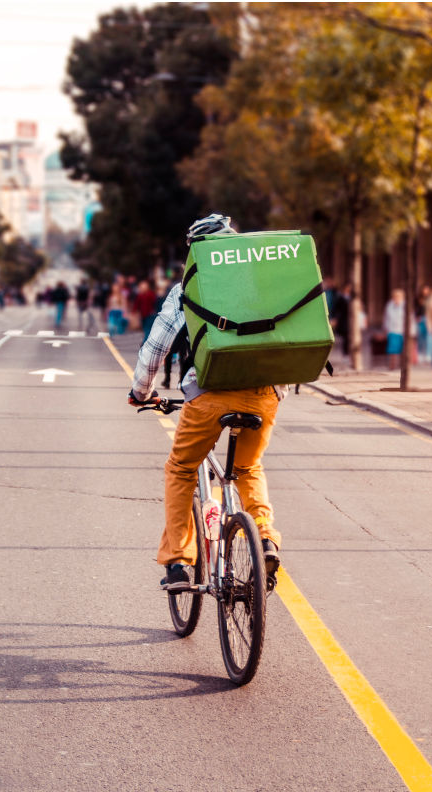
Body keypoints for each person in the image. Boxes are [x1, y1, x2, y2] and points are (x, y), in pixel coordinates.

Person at [127, 213, 284, 591]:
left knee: (181, 469)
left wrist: (142, 393)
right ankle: (264, 538)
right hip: (265, 393)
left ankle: (179, 562)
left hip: (209, 394)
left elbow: (155, 351)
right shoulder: (261, 281)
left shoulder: (188, 288)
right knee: (248, 468)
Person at [383, 288, 407, 370]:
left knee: (402, 350)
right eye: (395, 296)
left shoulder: (405, 305)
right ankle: (392, 366)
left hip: (402, 330)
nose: (396, 298)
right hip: (392, 330)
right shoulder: (389, 305)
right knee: (392, 350)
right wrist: (386, 329)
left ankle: (402, 367)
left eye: (398, 296)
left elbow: (409, 318)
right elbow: (386, 318)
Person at [134, 279, 158, 344]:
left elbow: (155, 303)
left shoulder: (150, 294)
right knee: (145, 329)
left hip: (150, 315)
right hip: (143, 315)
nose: (143, 288)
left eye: (144, 286)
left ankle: (145, 342)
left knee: (147, 329)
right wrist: (135, 312)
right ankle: (146, 342)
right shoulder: (140, 295)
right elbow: (136, 305)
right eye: (141, 286)